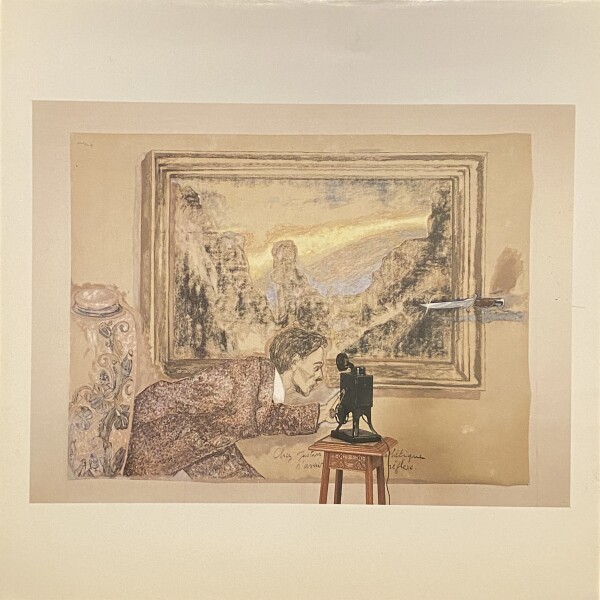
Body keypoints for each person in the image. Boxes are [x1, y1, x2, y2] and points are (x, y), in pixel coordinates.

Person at [123, 328, 337, 479]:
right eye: (317, 367)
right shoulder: (249, 376)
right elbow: (262, 418)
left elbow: (218, 432)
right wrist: (320, 413)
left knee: (253, 488)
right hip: (151, 441)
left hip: (201, 445)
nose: (320, 376)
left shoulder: (261, 388)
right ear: (295, 360)